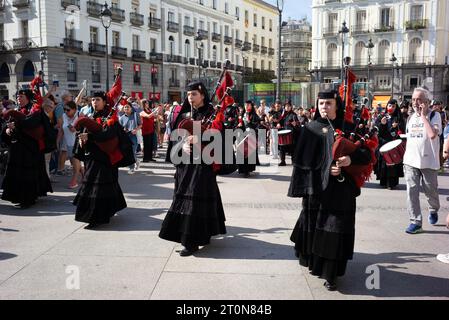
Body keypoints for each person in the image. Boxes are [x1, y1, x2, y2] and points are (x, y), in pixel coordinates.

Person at [288, 90, 373, 291]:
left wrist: (350, 159)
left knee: (335, 229)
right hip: (316, 190)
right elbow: (301, 162)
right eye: (321, 103)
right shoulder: (310, 129)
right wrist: (326, 170)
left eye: (328, 103)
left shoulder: (351, 127)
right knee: (316, 228)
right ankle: (314, 263)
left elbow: (367, 155)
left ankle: (331, 275)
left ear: (337, 105)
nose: (324, 107)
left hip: (341, 192)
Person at [159, 81, 226, 256]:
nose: (190, 97)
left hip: (203, 165)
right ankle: (192, 236)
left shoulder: (213, 113)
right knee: (187, 199)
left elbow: (219, 138)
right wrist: (182, 145)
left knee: (197, 199)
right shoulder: (184, 115)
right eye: (188, 94)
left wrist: (201, 141)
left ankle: (192, 241)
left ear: (203, 95)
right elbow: (176, 137)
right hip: (185, 165)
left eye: (194, 94)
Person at [73, 91, 130, 229]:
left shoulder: (111, 118)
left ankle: (96, 218)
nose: (94, 102)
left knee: (100, 186)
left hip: (105, 158)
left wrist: (90, 137)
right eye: (93, 100)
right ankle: (106, 210)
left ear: (104, 102)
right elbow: (83, 132)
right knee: (96, 185)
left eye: (97, 99)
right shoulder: (90, 116)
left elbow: (109, 134)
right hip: (92, 157)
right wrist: (81, 139)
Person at [1, 88, 53, 208]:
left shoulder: (35, 109)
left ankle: (28, 199)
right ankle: (17, 196)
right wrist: (8, 130)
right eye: (18, 97)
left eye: (21, 97)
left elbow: (32, 123)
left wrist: (17, 125)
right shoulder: (16, 110)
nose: (19, 99)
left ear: (28, 98)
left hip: (30, 149)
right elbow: (8, 124)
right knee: (17, 173)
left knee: (28, 174)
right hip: (17, 148)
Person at [403, 88, 442, 234]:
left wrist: (424, 116)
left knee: (430, 191)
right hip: (410, 161)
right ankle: (415, 221)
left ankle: (433, 209)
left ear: (426, 101)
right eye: (413, 99)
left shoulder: (435, 115)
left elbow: (432, 135)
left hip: (429, 162)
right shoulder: (410, 118)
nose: (415, 102)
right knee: (411, 191)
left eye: (419, 99)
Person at [374, 99, 405, 189]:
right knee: (384, 163)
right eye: (389, 106)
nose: (391, 108)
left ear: (396, 107)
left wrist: (396, 127)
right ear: (387, 106)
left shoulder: (398, 118)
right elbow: (377, 130)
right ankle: (383, 181)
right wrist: (382, 124)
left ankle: (391, 183)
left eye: (393, 106)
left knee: (393, 163)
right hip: (383, 142)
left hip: (393, 143)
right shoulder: (381, 116)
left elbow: (402, 130)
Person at [60, 101, 82, 189]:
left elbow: (73, 130)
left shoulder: (79, 115)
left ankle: (74, 181)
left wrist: (71, 125)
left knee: (75, 163)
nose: (65, 111)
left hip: (77, 143)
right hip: (68, 143)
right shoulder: (64, 116)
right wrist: (57, 141)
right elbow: (63, 129)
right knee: (73, 162)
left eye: (68, 110)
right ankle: (84, 174)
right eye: (64, 109)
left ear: (74, 110)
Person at [237, 100, 260, 178]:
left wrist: (250, 123)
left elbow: (257, 125)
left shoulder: (254, 115)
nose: (247, 106)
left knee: (248, 154)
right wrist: (238, 125)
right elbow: (237, 123)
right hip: (242, 135)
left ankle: (247, 170)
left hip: (250, 135)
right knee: (242, 152)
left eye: (248, 105)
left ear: (251, 106)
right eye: (245, 105)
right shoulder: (241, 114)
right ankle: (242, 169)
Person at [119, 102, 142, 174]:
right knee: (127, 152)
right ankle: (136, 160)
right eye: (125, 107)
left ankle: (131, 168)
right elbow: (120, 128)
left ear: (131, 108)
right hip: (126, 136)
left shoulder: (135, 115)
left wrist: (136, 129)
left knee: (132, 152)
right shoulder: (121, 118)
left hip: (133, 136)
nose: (126, 108)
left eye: (127, 107)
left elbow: (140, 125)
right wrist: (123, 130)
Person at [278, 101, 299, 166]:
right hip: (284, 134)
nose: (287, 107)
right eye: (286, 106)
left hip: (292, 134)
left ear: (291, 107)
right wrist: (278, 124)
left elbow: (297, 125)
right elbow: (280, 123)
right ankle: (283, 161)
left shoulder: (294, 115)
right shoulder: (283, 115)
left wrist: (295, 124)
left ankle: (293, 161)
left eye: (288, 106)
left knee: (292, 149)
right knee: (282, 148)